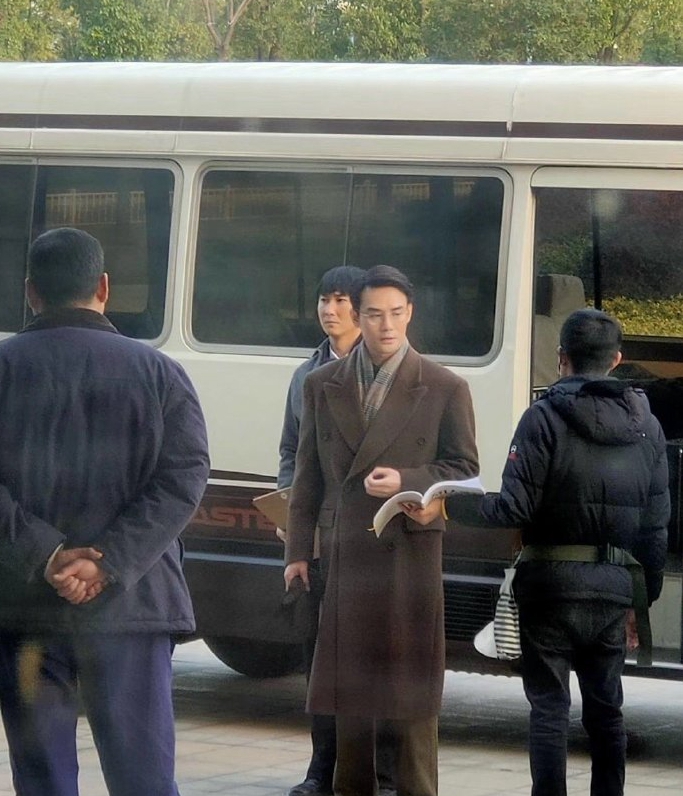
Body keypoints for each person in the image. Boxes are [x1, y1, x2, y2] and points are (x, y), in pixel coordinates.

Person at [0, 227, 210, 796]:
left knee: (42, 778)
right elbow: (184, 476)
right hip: (131, 609)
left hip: (25, 613)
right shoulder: (159, 372)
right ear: (104, 287)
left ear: (31, 292)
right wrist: (108, 561)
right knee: (143, 777)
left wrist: (46, 554)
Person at [428, 308, 669, 796]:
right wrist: (641, 598)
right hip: (612, 588)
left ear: (561, 358)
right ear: (617, 359)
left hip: (549, 588)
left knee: (549, 709)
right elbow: (655, 525)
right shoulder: (649, 426)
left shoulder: (542, 417)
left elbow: (513, 507)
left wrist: (449, 504)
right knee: (607, 711)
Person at [284, 265, 479, 796]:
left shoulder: (444, 386)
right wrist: (298, 551)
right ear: (357, 316)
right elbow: (307, 475)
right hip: (345, 555)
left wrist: (409, 481)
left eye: (395, 313)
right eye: (373, 314)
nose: (385, 325)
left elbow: (465, 470)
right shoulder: (321, 384)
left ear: (410, 313)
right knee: (351, 696)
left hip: (408, 558)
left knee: (411, 700)